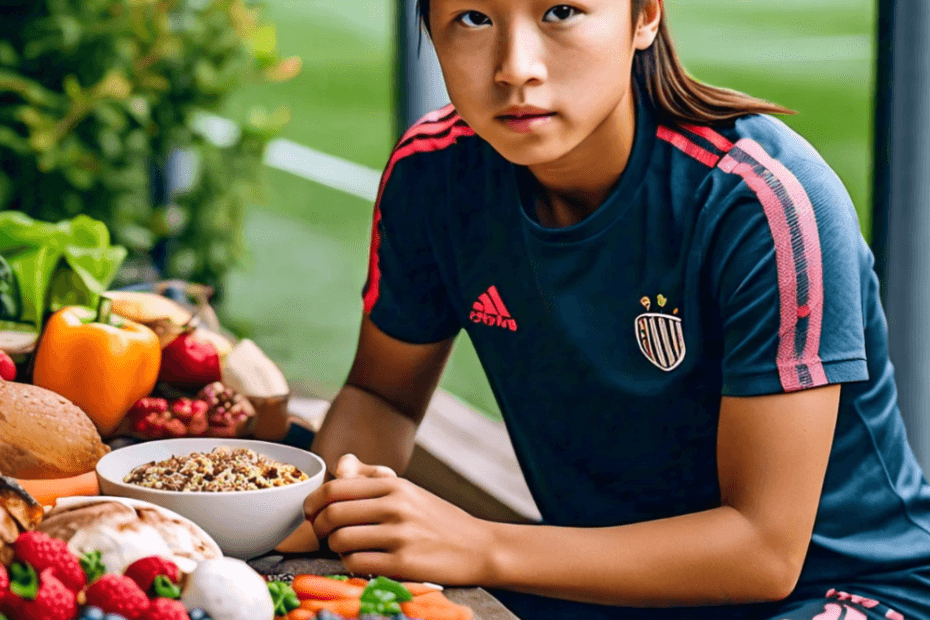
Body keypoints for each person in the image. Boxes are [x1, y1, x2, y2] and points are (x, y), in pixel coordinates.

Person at [302, 0, 930, 618]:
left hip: (837, 592)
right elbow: (381, 398)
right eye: (473, 18)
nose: (515, 67)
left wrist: (484, 544)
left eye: (561, 12)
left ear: (645, 16)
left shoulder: (764, 201)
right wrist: (328, 504)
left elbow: (763, 552)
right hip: (601, 590)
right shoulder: (433, 174)